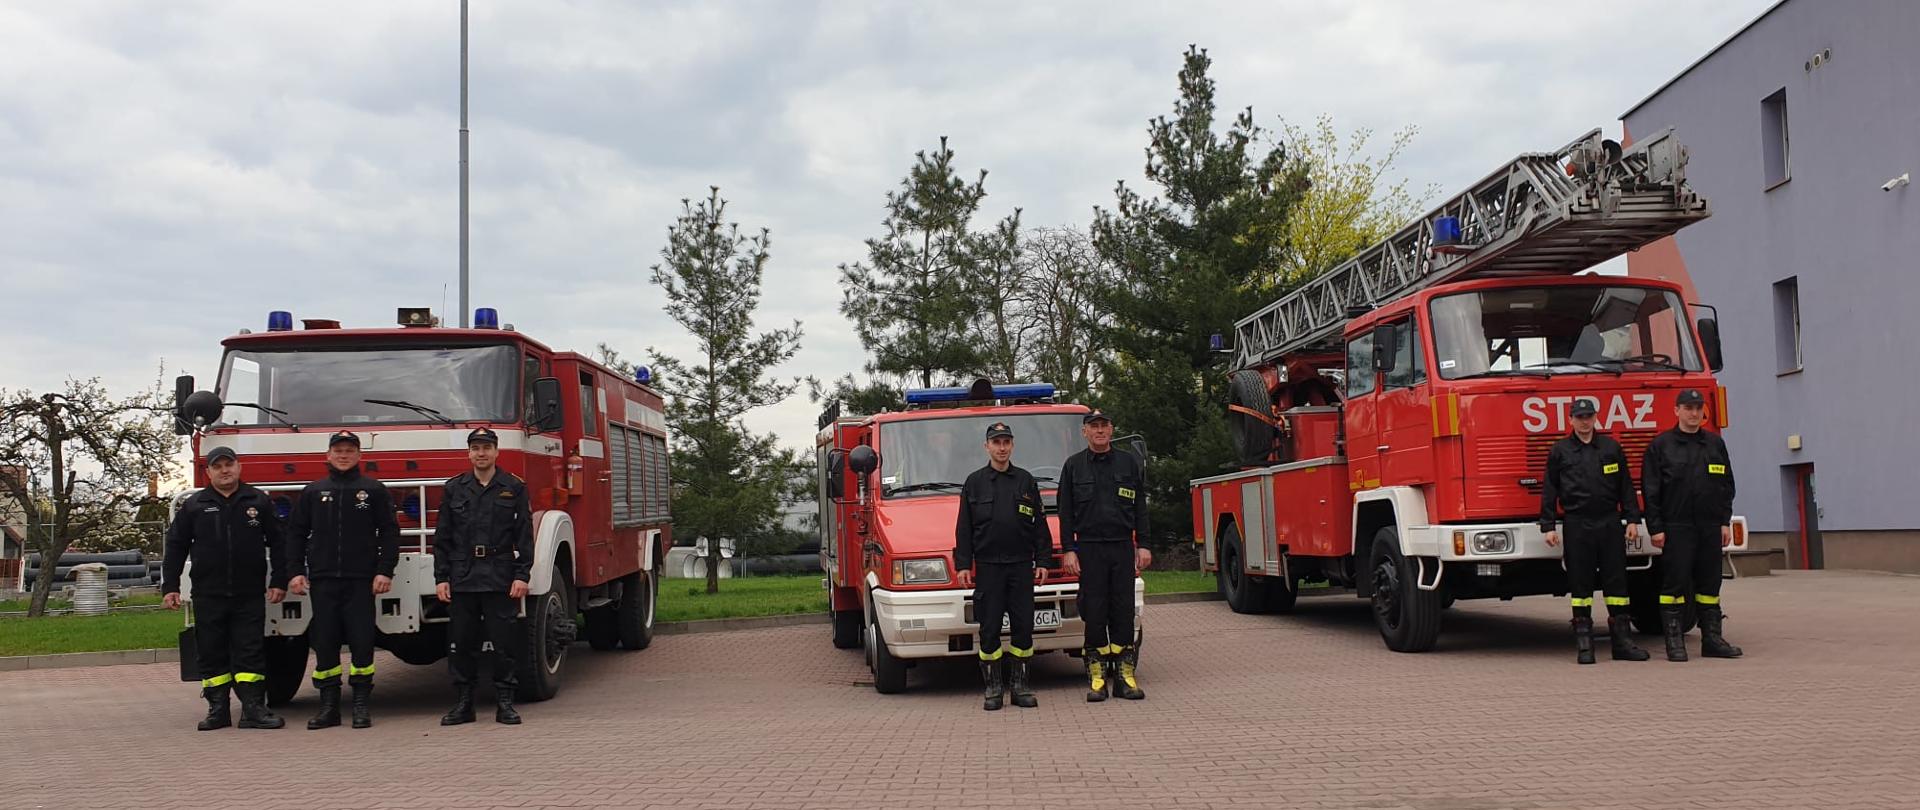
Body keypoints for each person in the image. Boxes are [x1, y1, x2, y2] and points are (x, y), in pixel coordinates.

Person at [161, 446, 288, 730]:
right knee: (211, 652)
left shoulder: (258, 501)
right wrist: (170, 586)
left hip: (249, 592)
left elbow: (280, 543)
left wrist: (279, 580)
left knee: (250, 651)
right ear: (208, 472)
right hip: (208, 593)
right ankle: (217, 710)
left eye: (229, 465)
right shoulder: (195, 505)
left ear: (239, 467)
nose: (224, 471)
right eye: (217, 466)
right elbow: (176, 547)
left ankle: (253, 709)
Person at [287, 431, 399, 729]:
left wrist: (385, 570)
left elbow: (390, 533)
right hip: (323, 580)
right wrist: (295, 571)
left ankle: (361, 705)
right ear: (328, 455)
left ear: (359, 455)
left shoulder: (373, 490)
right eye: (338, 450)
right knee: (325, 643)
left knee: (362, 643)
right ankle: (329, 708)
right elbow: (296, 534)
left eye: (350, 450)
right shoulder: (313, 492)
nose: (344, 455)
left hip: (362, 580)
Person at [434, 428, 534, 726]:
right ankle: (464, 704)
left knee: (504, 643)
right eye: (476, 448)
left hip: (499, 574)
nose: (481, 453)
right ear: (469, 453)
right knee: (461, 643)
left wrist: (522, 574)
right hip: (463, 576)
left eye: (486, 448)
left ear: (496, 452)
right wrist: (441, 577)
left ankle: (505, 703)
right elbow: (442, 537)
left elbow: (524, 534)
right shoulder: (455, 488)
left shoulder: (513, 487)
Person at [1539, 398, 1649, 665]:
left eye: (1588, 416)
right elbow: (1550, 490)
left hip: (1609, 522)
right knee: (1581, 584)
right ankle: (1585, 645)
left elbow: (1625, 486)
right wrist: (1548, 526)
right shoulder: (1560, 451)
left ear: (1595, 418)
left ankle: (1622, 643)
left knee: (1617, 583)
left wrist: (1632, 520)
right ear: (1571, 420)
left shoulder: (1611, 448)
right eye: (1579, 417)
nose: (1584, 421)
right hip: (1577, 523)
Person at [953, 421, 1051, 711]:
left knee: (1023, 628)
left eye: (1006, 442)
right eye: (996, 442)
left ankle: (1020, 687)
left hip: (1020, 566)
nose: (1002, 447)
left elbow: (1039, 525)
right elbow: (964, 527)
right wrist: (963, 564)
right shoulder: (974, 482)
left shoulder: (1025, 481)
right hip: (988, 568)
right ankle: (993, 689)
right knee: (989, 628)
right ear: (987, 446)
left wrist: (1043, 560)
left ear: (1012, 445)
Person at [1642, 389, 1742, 662]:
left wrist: (1724, 521)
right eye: (1688, 408)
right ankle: (1674, 643)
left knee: (1710, 584)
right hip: (1677, 527)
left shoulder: (1714, 444)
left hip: (1709, 527)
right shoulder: (1661, 446)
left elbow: (1726, 485)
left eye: (1698, 408)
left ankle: (1712, 640)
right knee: (1674, 585)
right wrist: (1656, 528)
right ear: (1677, 411)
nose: (1694, 413)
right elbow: (1651, 491)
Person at [1058, 410, 1150, 702]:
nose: (1099, 431)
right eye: (1093, 426)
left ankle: (1125, 678)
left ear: (1111, 429)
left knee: (1123, 611)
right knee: (1094, 612)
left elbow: (1140, 507)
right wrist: (1069, 549)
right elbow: (1065, 512)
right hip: (1089, 548)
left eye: (1104, 426)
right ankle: (1097, 679)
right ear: (1084, 432)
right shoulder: (1073, 466)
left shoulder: (1127, 463)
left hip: (1121, 546)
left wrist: (1144, 544)